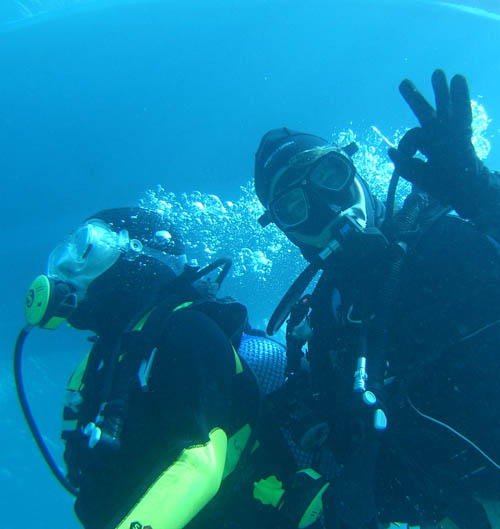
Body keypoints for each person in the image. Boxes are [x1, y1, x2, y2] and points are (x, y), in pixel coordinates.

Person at [253, 70, 500, 529]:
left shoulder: (451, 227)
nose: (327, 205)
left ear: (356, 171)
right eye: (294, 205)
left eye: (330, 174)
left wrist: (484, 194)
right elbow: (358, 445)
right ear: (289, 234)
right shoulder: (329, 322)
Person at [17, 206, 334, 529]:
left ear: (138, 253)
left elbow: (199, 460)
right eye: (62, 254)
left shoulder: (188, 330)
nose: (68, 265)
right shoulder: (96, 367)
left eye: (87, 247)